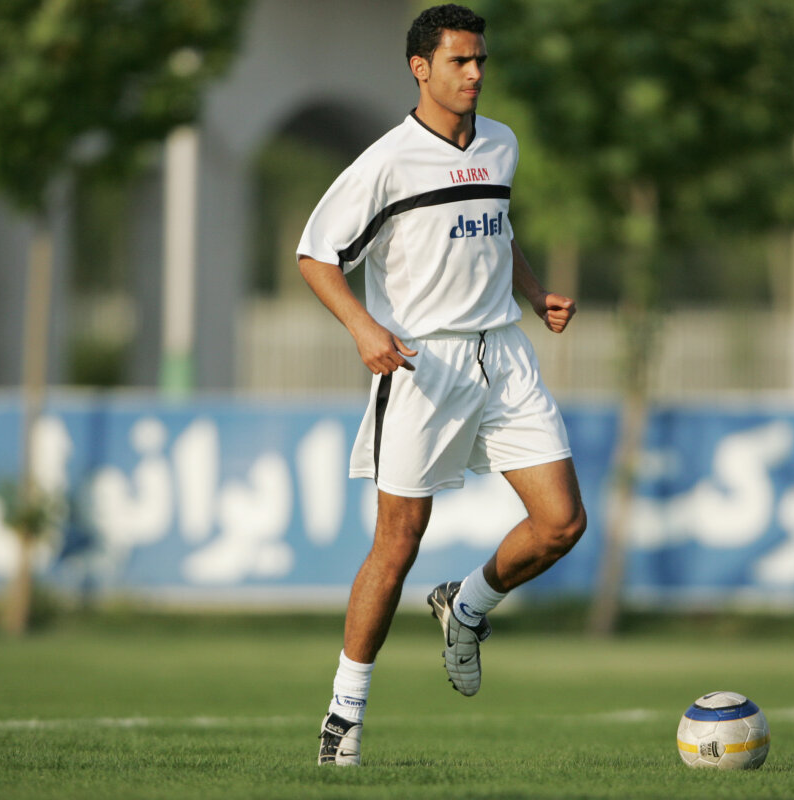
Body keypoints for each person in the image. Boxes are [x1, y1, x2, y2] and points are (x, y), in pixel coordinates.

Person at [297, 3, 587, 766]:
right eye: (459, 61)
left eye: (480, 59)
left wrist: (533, 294)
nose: (475, 73)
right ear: (420, 69)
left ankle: (465, 606)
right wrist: (363, 328)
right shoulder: (387, 161)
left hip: (503, 353)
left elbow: (495, 229)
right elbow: (315, 255)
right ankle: (343, 717)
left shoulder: (501, 143)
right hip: (423, 364)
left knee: (561, 523)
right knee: (397, 543)